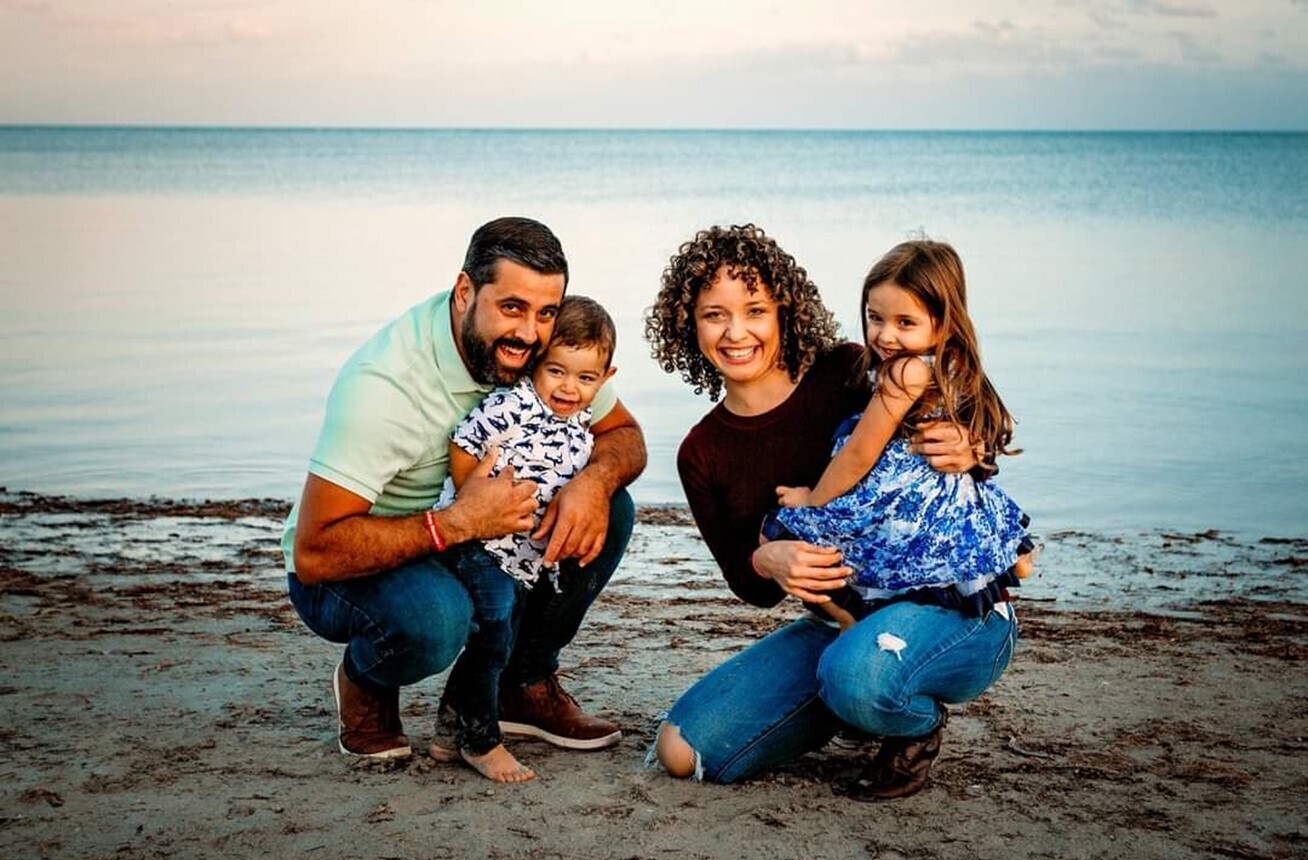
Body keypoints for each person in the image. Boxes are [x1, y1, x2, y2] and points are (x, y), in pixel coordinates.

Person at [644, 224, 1019, 799]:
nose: (736, 331)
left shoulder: (850, 370)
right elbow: (754, 589)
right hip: (842, 615)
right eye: (714, 314)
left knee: (857, 676)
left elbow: (944, 439)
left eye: (755, 310)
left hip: (949, 605)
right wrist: (768, 558)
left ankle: (910, 722)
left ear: (784, 312)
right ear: (687, 325)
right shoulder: (703, 451)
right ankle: (854, 701)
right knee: (679, 752)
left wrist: (972, 448)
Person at [283, 217, 646, 763]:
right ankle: (366, 677)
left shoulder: (542, 356)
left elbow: (625, 437)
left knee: (610, 507)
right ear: (464, 292)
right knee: (435, 620)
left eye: (545, 312)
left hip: (471, 538)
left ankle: (520, 686)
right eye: (512, 307)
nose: (528, 332)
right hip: (356, 562)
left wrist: (592, 483)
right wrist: (460, 522)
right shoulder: (383, 386)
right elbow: (314, 554)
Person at [768, 239, 1034, 631]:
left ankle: (848, 619)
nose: (885, 336)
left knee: (781, 527)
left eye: (905, 323)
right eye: (876, 318)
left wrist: (813, 500)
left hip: (903, 501)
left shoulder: (902, 372)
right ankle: (1016, 557)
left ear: (943, 322)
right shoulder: (956, 364)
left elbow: (860, 453)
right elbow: (987, 427)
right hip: (948, 500)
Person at [436, 295, 619, 783]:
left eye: (585, 378)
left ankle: (447, 733)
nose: (568, 387)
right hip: (479, 544)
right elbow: (463, 443)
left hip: (521, 557)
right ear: (538, 363)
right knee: (493, 630)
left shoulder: (581, 432)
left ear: (606, 379)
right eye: (557, 371)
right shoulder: (511, 405)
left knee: (499, 635)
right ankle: (482, 741)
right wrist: (468, 501)